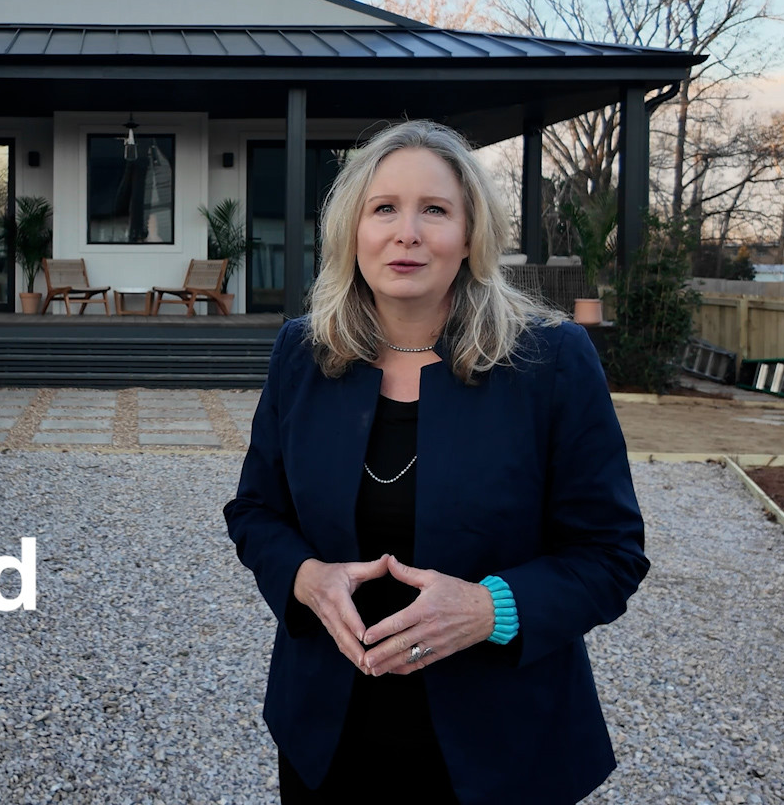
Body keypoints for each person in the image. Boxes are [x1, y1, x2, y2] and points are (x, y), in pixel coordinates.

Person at [222, 119, 650, 804]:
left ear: (471, 235)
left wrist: (489, 608)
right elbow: (255, 512)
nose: (407, 233)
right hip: (329, 741)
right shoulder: (303, 354)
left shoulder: (551, 361)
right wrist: (305, 578)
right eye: (384, 208)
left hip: (498, 750)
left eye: (436, 210)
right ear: (351, 231)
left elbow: (610, 554)